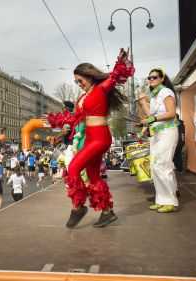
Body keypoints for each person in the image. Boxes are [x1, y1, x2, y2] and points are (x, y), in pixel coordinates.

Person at [46, 48, 134, 228]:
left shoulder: (101, 87)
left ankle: (78, 207)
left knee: (73, 167)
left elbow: (116, 75)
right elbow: (75, 118)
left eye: (80, 80)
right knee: (94, 176)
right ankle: (107, 212)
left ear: (89, 76)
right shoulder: (82, 97)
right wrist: (55, 120)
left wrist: (120, 62)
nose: (79, 84)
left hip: (100, 138)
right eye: (76, 82)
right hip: (90, 138)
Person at [137, 67, 179, 213]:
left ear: (162, 78)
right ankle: (161, 200)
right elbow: (150, 114)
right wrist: (143, 103)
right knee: (155, 167)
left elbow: (171, 113)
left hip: (167, 132)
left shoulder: (166, 92)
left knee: (163, 164)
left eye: (154, 77)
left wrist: (153, 118)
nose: (151, 80)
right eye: (149, 78)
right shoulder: (154, 96)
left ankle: (171, 201)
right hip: (156, 133)